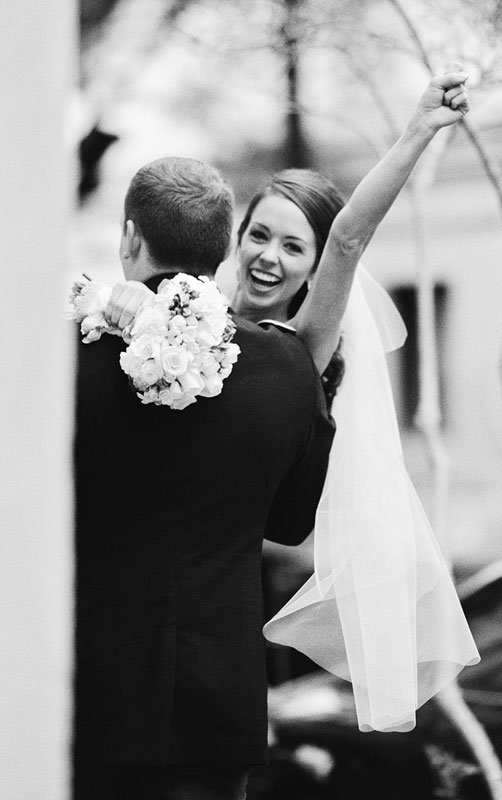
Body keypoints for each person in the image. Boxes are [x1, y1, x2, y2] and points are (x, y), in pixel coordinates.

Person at [106, 68, 480, 735]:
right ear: (232, 237)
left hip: (203, 642)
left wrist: (419, 131)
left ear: (315, 267)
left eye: (292, 245)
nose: (268, 258)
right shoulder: (180, 311)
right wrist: (129, 304)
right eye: (258, 234)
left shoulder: (297, 353)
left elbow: (350, 238)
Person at [74, 156, 336, 800]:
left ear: (131, 237)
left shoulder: (70, 359)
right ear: (225, 249)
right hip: (218, 701)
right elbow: (292, 520)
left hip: (92, 694)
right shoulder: (289, 369)